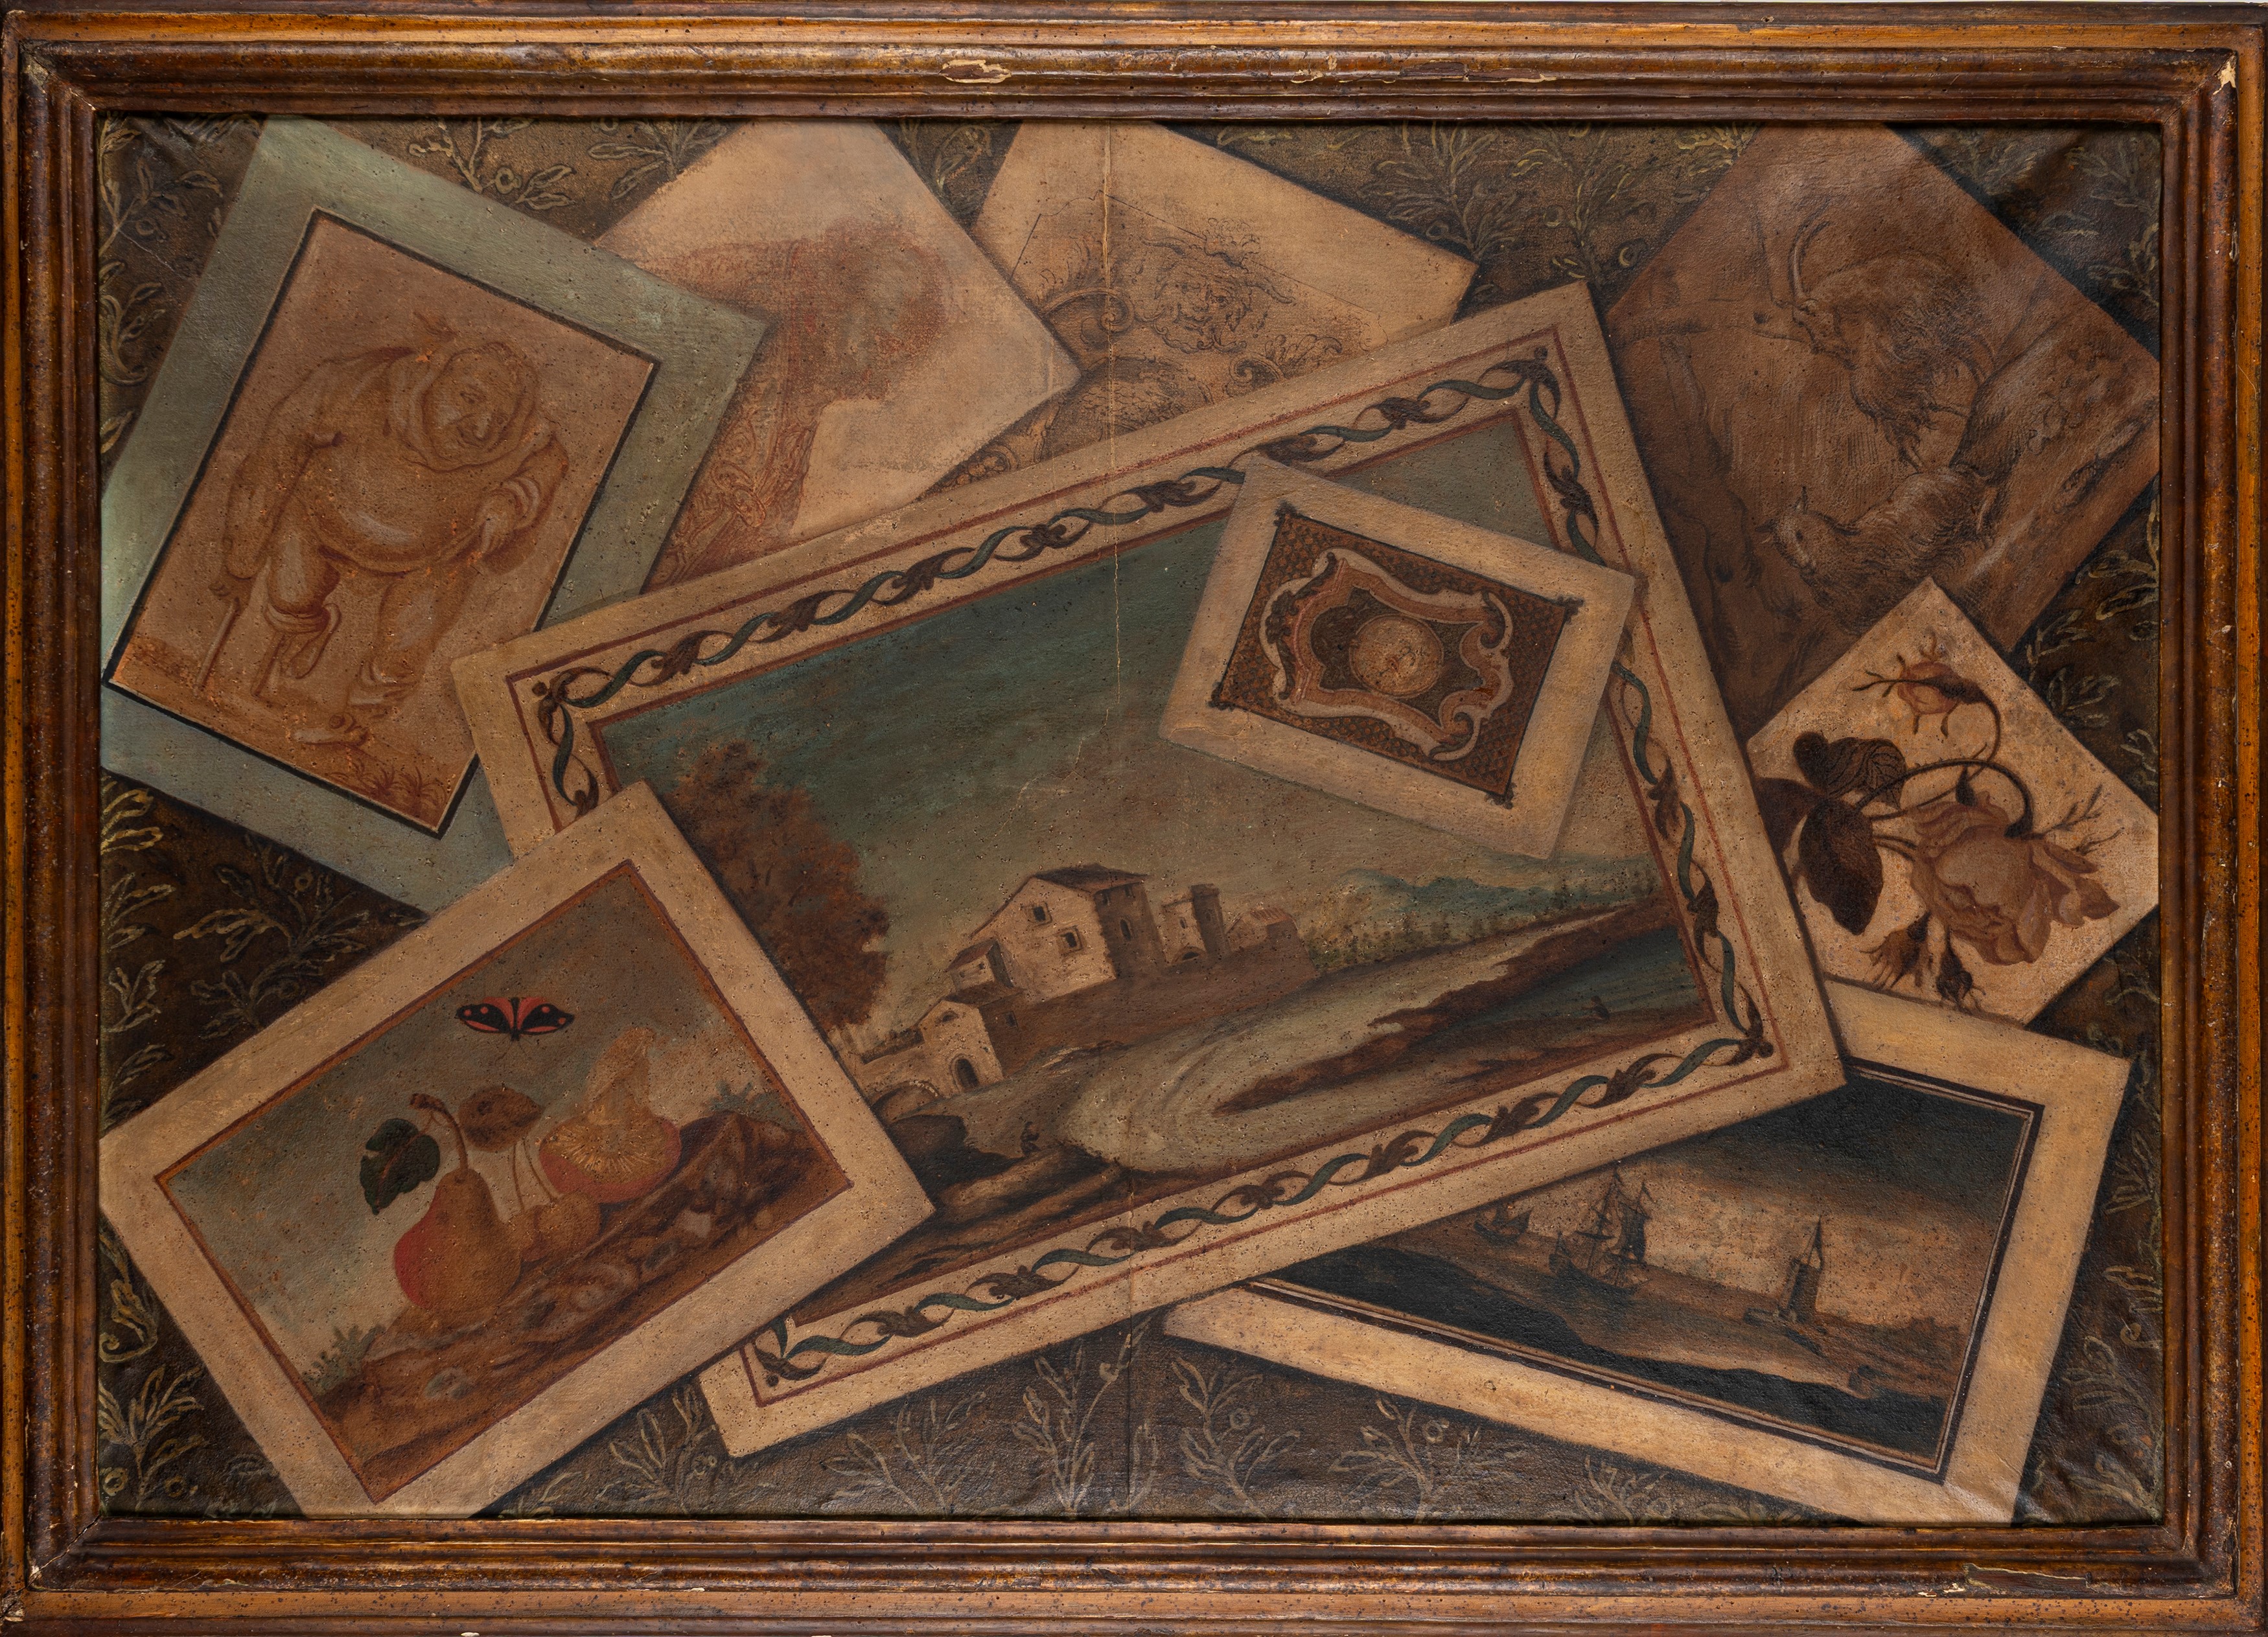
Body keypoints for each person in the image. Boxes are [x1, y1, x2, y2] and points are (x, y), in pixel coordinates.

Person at [206, 320, 566, 746]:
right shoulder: (361, 385)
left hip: (436, 555)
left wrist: (512, 500)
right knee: (290, 596)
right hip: (322, 517)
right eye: (469, 399)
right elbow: (276, 455)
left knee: (407, 644)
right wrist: (241, 560)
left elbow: (546, 464)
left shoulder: (526, 439)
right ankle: (305, 632)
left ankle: (353, 725)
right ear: (434, 378)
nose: (482, 428)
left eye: (500, 419)